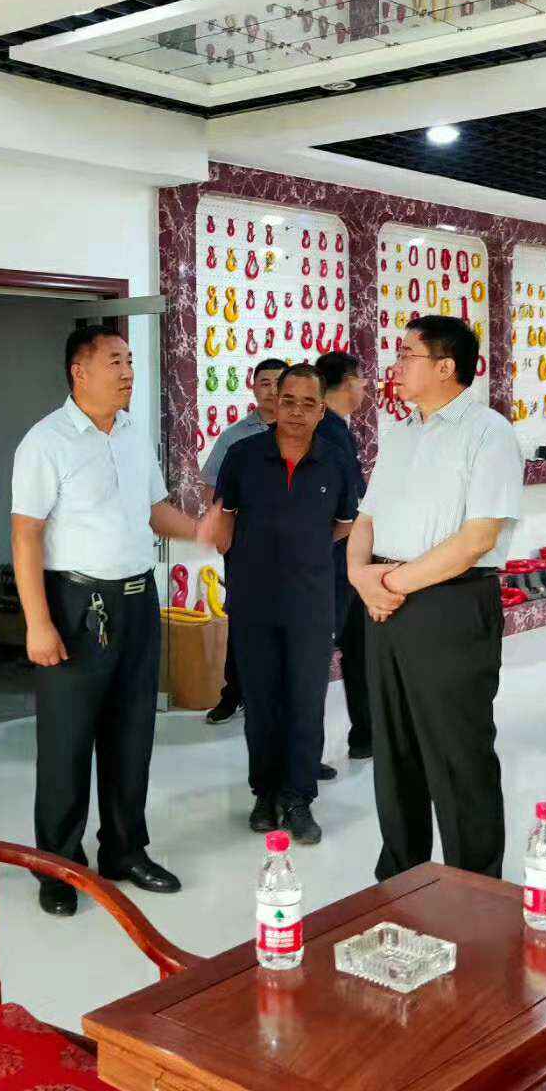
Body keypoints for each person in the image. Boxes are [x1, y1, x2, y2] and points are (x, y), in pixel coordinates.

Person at [12, 325, 213, 917]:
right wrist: (38, 623)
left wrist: (200, 531)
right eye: (115, 362)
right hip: (75, 605)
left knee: (132, 734)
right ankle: (57, 864)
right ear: (80, 371)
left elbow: (153, 511)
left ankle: (124, 850)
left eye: (129, 361)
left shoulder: (132, 433)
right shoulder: (45, 442)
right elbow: (26, 536)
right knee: (67, 742)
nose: (128, 372)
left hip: (136, 601)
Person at [348, 316, 523, 882]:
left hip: (450, 603)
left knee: (457, 753)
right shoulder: (401, 433)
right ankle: (403, 878)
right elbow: (366, 519)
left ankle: (475, 887)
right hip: (384, 602)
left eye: (407, 355)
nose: (395, 365)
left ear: (446, 367)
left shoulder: (489, 433)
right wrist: (359, 576)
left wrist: (388, 585)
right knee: (394, 748)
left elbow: (477, 539)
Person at [206, 363, 358, 843]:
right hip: (253, 599)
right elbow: (224, 519)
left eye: (308, 404)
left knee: (306, 700)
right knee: (261, 699)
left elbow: (344, 523)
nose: (295, 412)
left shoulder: (337, 461)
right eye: (287, 400)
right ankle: (264, 793)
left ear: (321, 410)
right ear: (274, 401)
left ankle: (298, 798)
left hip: (311, 600)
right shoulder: (244, 455)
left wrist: (304, 554)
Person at [200, 358, 287, 725]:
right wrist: (222, 532)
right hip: (246, 547)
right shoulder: (235, 437)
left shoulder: (305, 432)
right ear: (253, 388)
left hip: (293, 549)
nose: (272, 390)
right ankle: (234, 693)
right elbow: (212, 488)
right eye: (264, 383)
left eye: (278, 383)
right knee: (243, 620)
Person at [315, 351, 371, 760]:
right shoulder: (328, 430)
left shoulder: (338, 429)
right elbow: (346, 507)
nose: (365, 390)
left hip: (346, 561)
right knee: (319, 656)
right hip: (334, 562)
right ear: (349, 382)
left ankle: (365, 734)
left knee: (359, 647)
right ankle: (305, 754)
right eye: (363, 382)